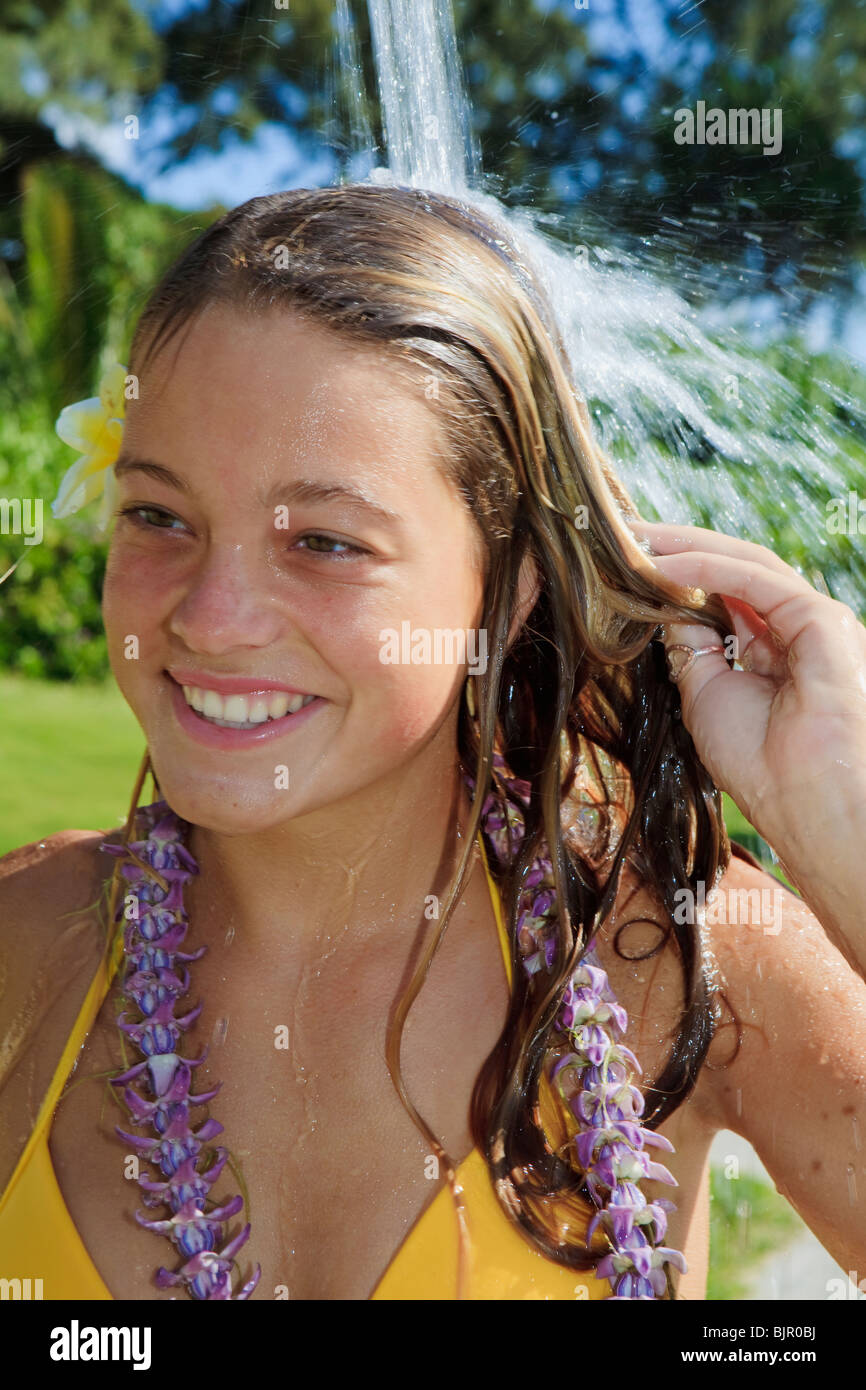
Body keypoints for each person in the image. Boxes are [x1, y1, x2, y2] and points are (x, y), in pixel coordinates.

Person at [1, 183, 865, 1301]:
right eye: (160, 515)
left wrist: (839, 826)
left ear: (506, 587)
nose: (209, 618)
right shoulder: (30, 945)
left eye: (322, 539)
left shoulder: (678, 958)